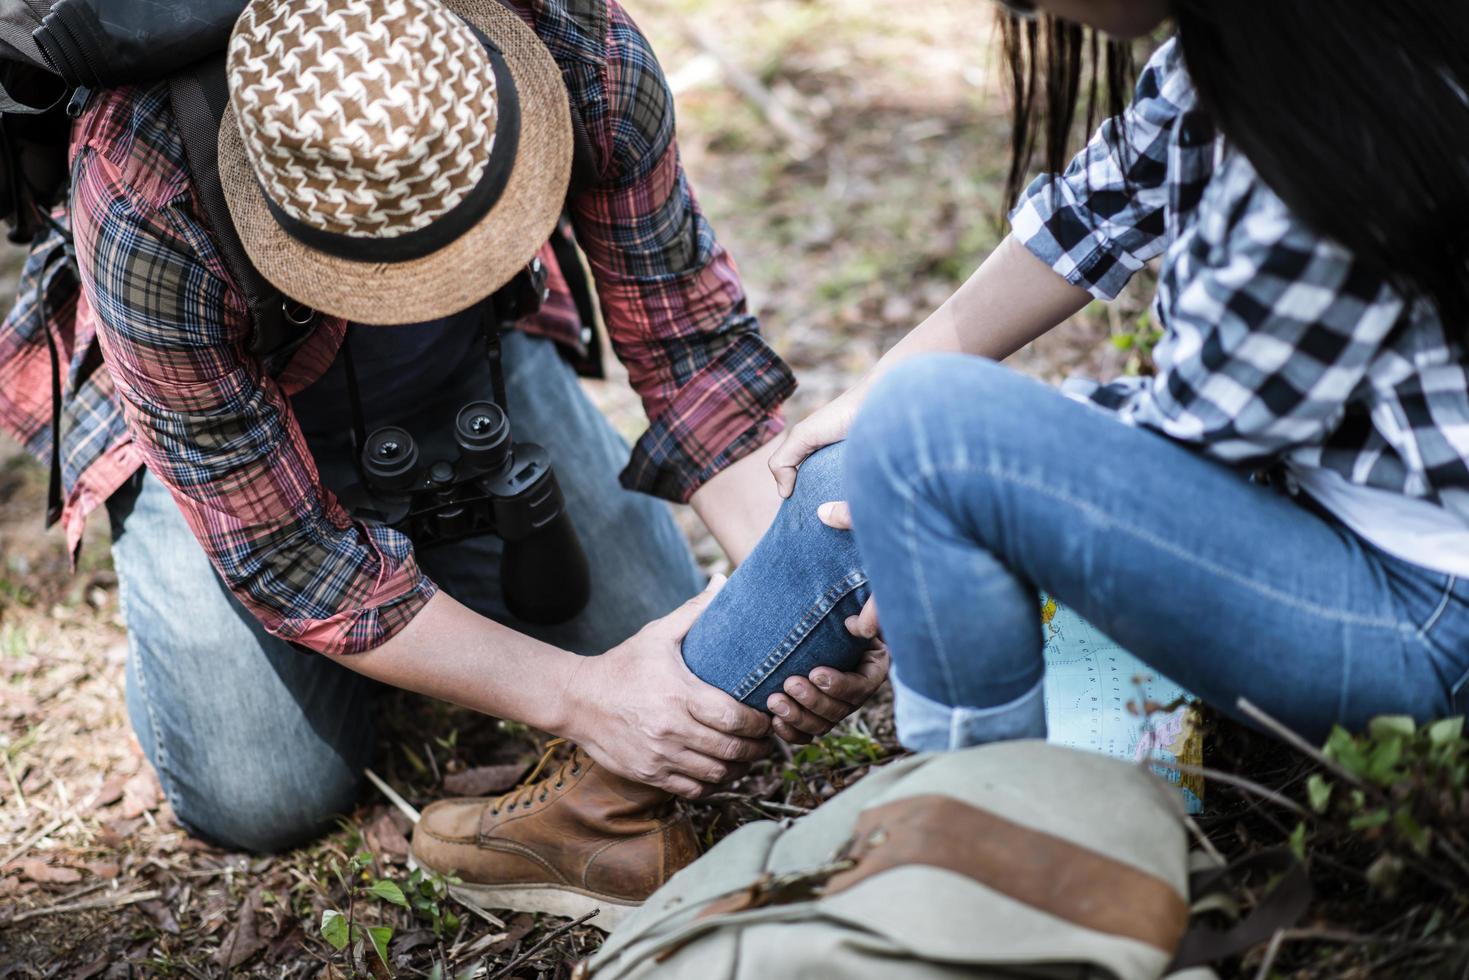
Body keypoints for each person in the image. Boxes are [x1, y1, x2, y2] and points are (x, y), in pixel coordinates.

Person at [0, 0, 888, 905]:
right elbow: (290, 557)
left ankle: (429, 610)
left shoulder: (578, 46)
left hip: (470, 370)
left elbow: (695, 359)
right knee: (263, 796)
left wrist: (797, 590)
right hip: (224, 433)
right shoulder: (146, 192)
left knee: (664, 642)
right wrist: (583, 698)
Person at [756, 0, 1469, 753]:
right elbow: (1091, 211)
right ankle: (1117, 793)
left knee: (928, 435)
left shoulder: (1332, 124)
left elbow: (1179, 449)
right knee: (885, 445)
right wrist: (871, 395)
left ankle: (990, 809)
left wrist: (943, 495)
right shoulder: (1254, 53)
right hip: (1353, 540)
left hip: (1427, 614)